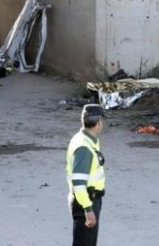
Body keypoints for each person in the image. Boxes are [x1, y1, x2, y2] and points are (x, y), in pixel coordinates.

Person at [66, 104, 106, 246]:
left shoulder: (85, 139)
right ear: (99, 122)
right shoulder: (84, 147)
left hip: (86, 199)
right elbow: (79, 183)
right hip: (86, 201)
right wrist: (88, 210)